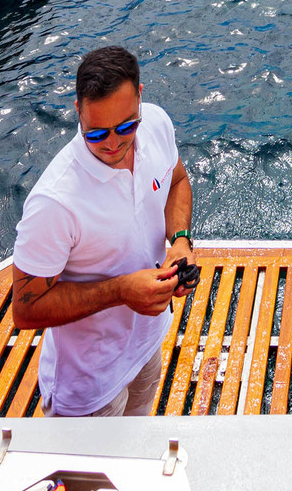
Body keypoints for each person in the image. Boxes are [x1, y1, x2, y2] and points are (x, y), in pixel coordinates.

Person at [10, 44, 193, 417]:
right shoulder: (55, 202)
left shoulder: (156, 124)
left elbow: (177, 180)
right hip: (88, 391)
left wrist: (180, 241)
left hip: (148, 346)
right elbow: (25, 309)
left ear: (141, 99)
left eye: (126, 126)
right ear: (77, 111)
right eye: (96, 134)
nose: (113, 143)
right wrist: (122, 291)